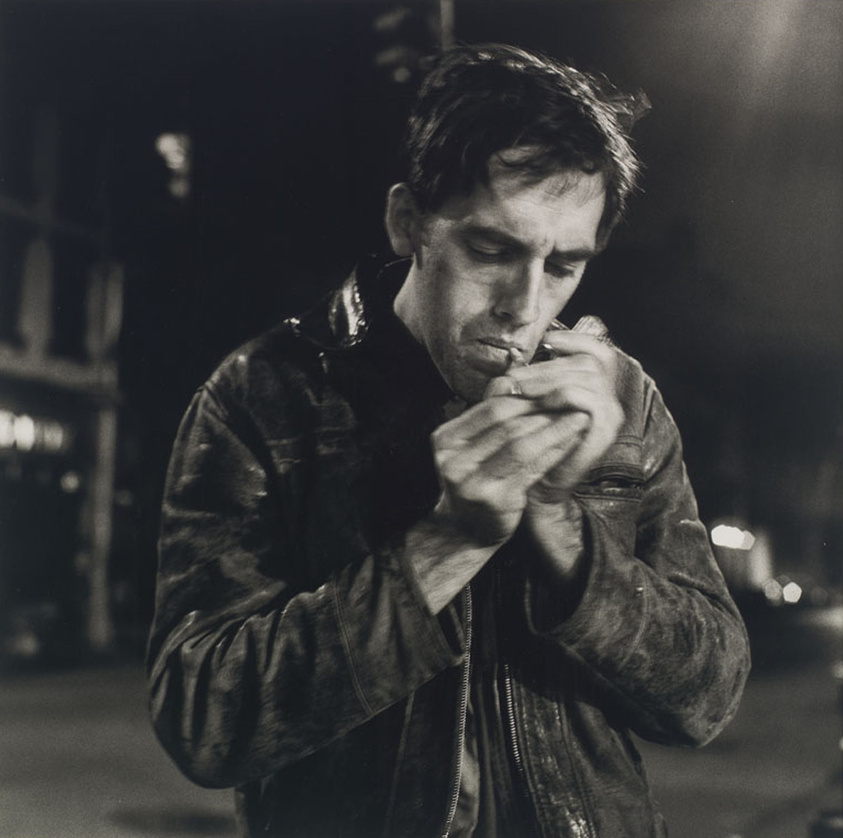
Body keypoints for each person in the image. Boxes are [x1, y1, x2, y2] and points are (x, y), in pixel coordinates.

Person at [147, 43, 750, 837]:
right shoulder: (265, 395)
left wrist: (561, 528)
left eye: (564, 265)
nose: (524, 306)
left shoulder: (620, 400)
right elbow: (203, 720)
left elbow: (705, 696)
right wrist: (446, 543)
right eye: (492, 250)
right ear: (408, 223)